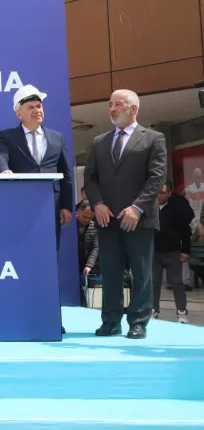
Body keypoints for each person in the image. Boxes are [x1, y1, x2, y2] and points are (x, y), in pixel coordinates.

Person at [83, 89, 167, 339]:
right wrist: (97, 204)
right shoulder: (99, 142)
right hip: (106, 219)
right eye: (110, 104)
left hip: (138, 219)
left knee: (141, 273)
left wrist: (137, 207)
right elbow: (90, 178)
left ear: (134, 109)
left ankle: (138, 322)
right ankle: (110, 321)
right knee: (110, 272)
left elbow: (157, 177)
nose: (112, 109)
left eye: (118, 104)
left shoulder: (153, 138)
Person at [0, 84, 73, 333]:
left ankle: (50, 318)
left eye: (39, 106)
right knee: (20, 262)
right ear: (19, 113)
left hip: (50, 209)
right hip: (21, 210)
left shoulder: (56, 137)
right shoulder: (8, 136)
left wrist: (66, 206)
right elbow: (0, 157)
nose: (37, 110)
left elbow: (66, 174)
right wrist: (4, 170)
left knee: (49, 264)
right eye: (31, 107)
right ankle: (18, 315)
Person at [152, 181, 194, 323]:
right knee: (154, 282)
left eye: (162, 193)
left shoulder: (176, 208)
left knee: (177, 282)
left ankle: (181, 312)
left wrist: (185, 251)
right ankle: (153, 309)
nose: (159, 196)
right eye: (157, 193)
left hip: (173, 251)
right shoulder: (150, 208)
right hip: (154, 252)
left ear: (169, 193)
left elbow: (185, 230)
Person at [76, 201, 100, 307]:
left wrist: (89, 265)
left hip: (86, 265)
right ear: (78, 212)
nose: (86, 220)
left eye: (90, 218)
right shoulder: (68, 225)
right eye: (84, 217)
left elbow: (95, 248)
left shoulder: (94, 227)